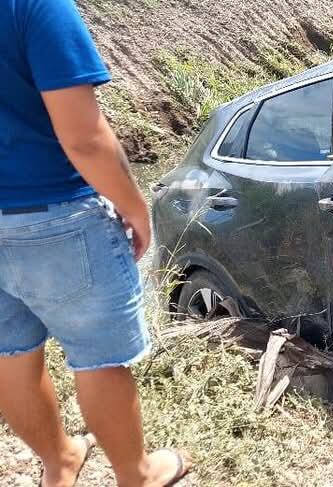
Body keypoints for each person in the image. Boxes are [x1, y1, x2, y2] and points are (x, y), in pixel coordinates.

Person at [0, 0, 191, 485]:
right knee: (99, 358)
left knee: (10, 354)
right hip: (56, 217)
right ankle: (137, 475)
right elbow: (84, 137)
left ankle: (60, 461)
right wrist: (134, 206)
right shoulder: (34, 7)